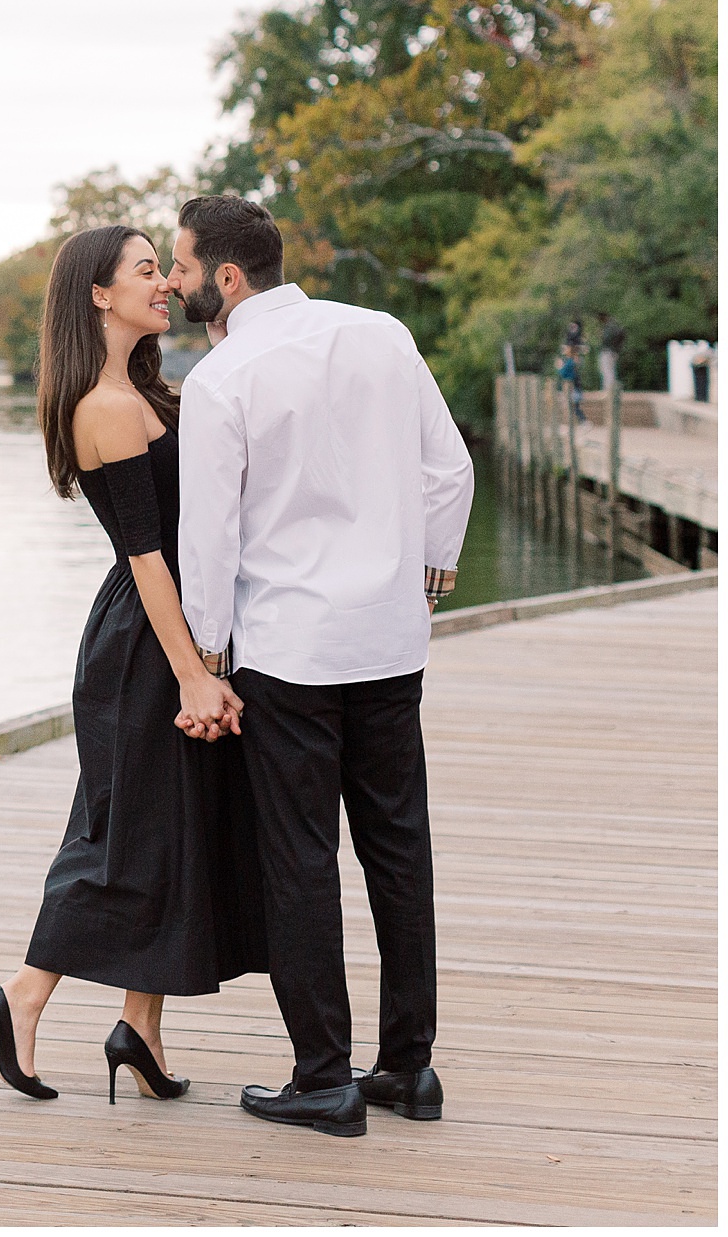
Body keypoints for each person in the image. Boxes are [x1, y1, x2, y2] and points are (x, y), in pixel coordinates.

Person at [168, 195, 475, 1138]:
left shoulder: (223, 380)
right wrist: (426, 579)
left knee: (300, 860)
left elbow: (209, 540)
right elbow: (448, 468)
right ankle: (409, 1069)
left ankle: (324, 1077)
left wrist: (207, 658)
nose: (174, 280)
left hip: (291, 654)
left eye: (180, 265)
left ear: (227, 277)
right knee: (398, 849)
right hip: (388, 641)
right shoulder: (381, 333)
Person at [0, 224, 267, 1105]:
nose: (164, 283)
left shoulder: (150, 394)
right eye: (145, 271)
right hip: (143, 644)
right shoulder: (102, 408)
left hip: (172, 631)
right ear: (98, 293)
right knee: (122, 831)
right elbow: (146, 556)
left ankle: (142, 1027)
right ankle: (19, 995)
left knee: (170, 830)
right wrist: (194, 674)